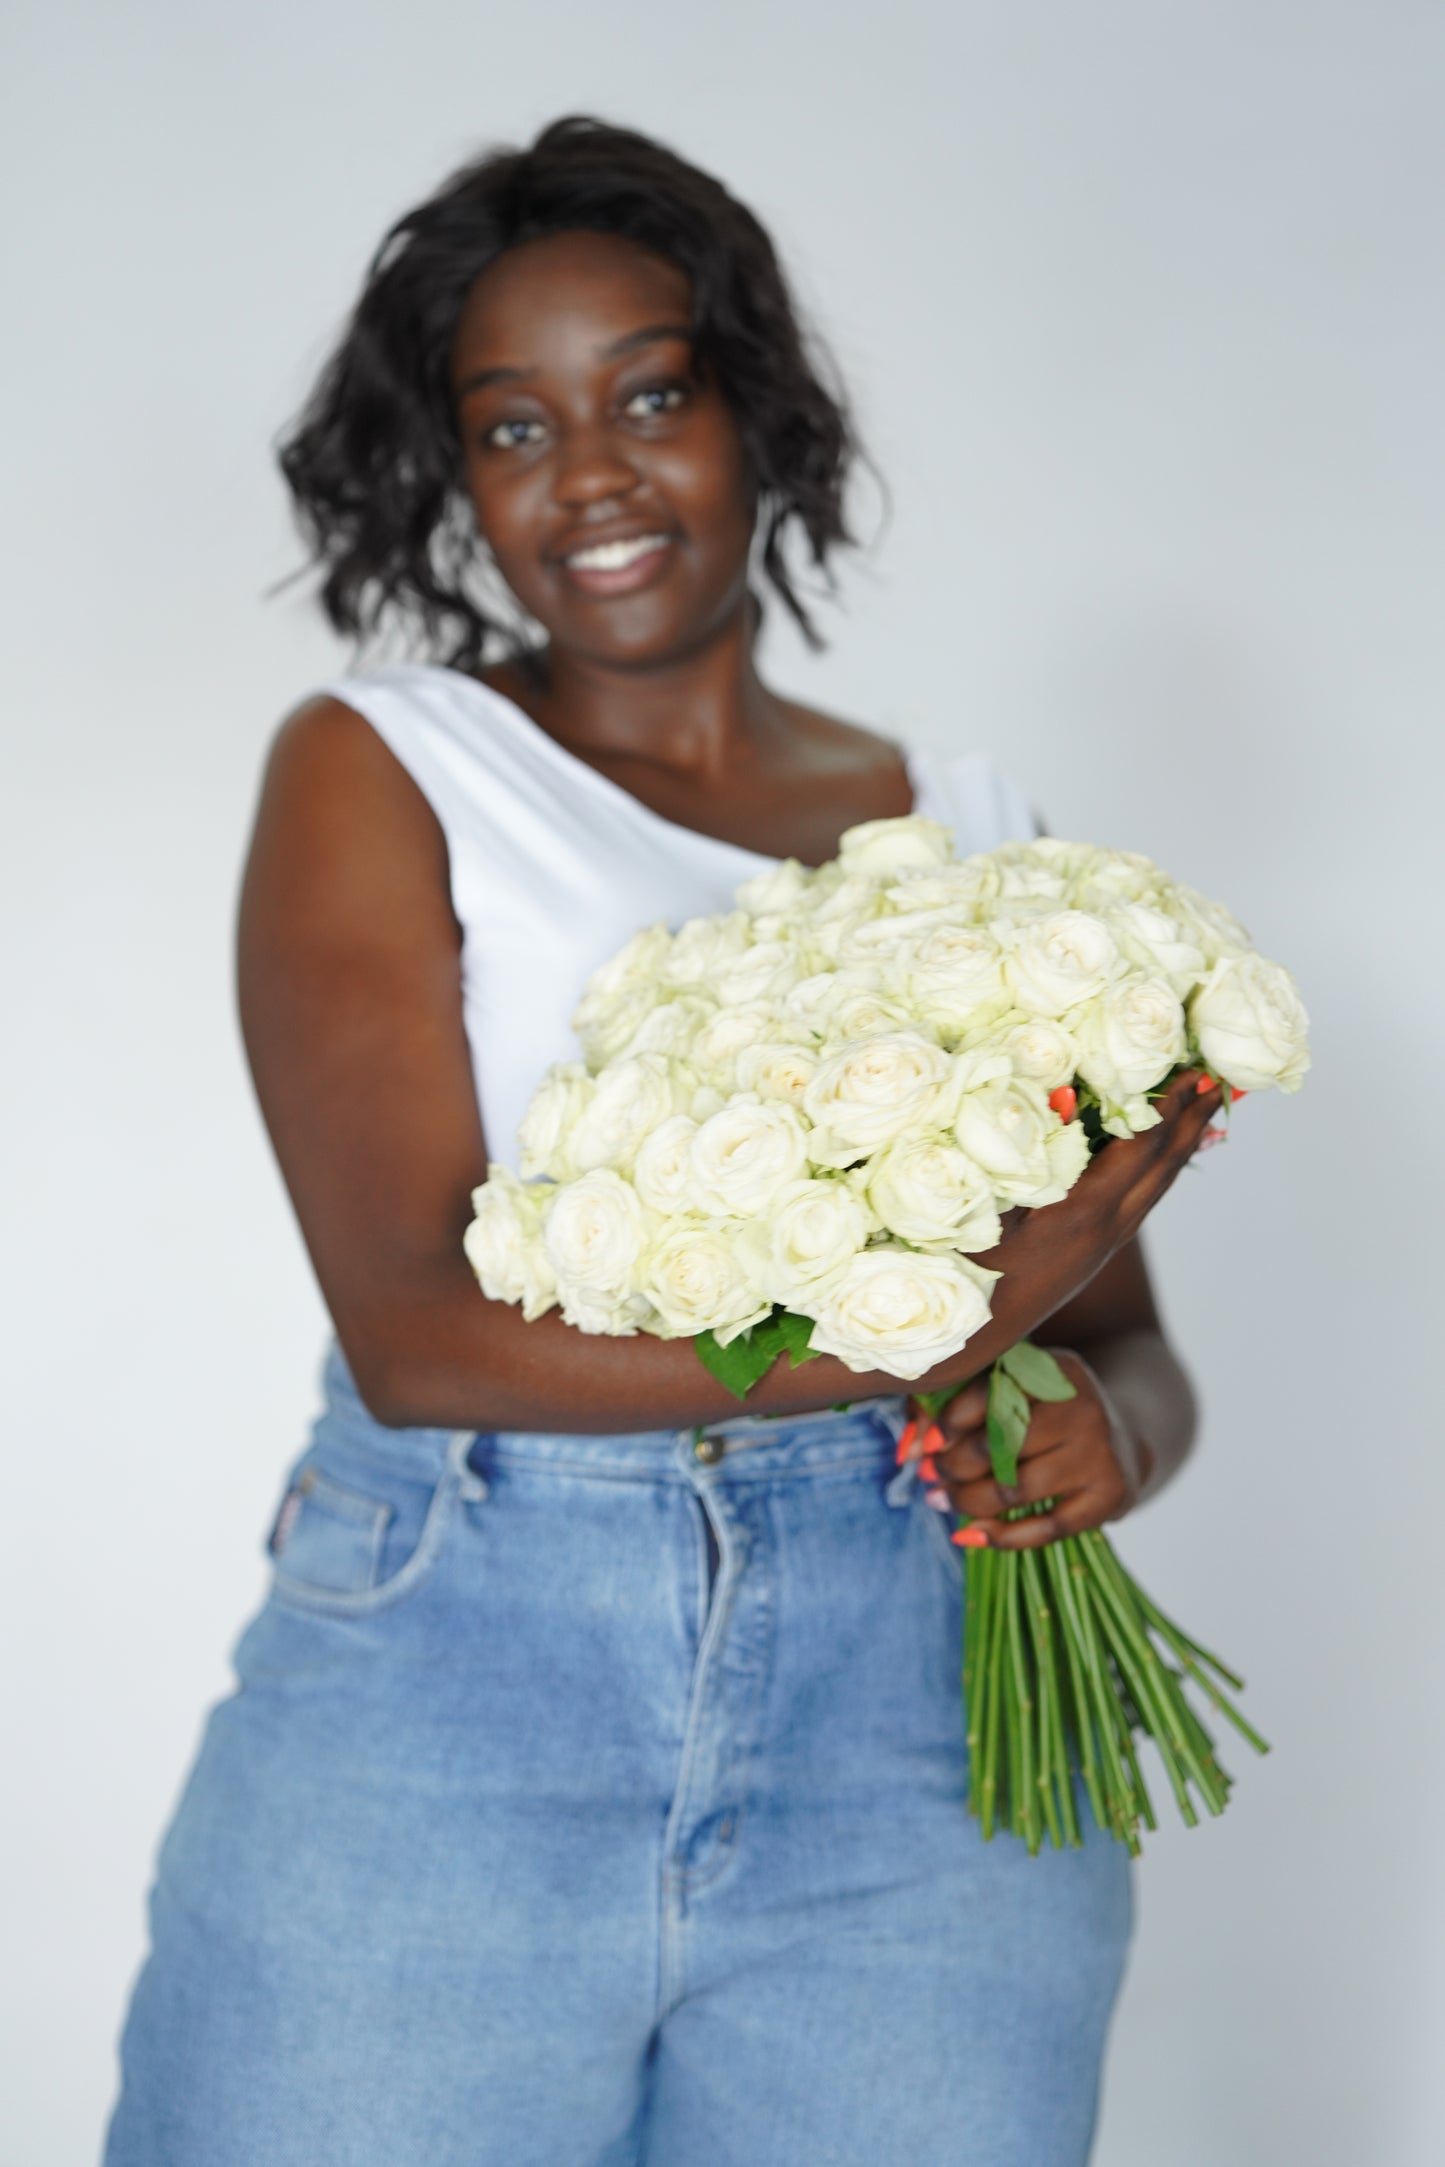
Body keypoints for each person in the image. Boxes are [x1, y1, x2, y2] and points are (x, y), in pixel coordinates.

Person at [103, 115, 1223, 2167]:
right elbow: (422, 1331)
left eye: (649, 396)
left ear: (755, 414)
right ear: (459, 479)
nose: (592, 477)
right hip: (461, 1694)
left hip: (927, 1746)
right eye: (513, 428)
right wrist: (944, 1325)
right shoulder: (385, 767)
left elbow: (1124, 1335)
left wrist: (1107, 1437)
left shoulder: (973, 832)